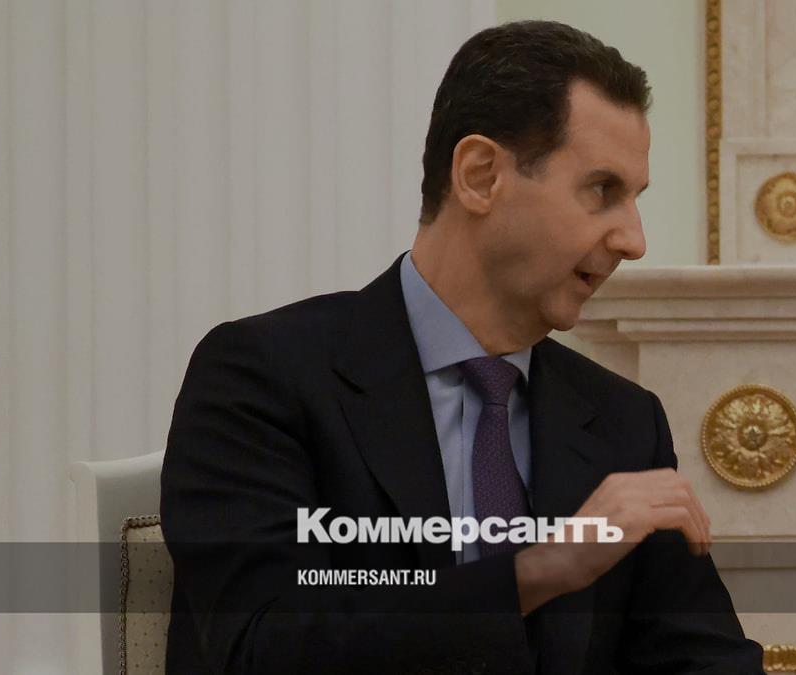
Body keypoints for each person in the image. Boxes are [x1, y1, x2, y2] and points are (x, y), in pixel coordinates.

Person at [161, 19, 764, 674]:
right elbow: (263, 644)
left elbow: (706, 661)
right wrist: (544, 568)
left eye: (635, 199)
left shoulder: (625, 422)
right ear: (480, 176)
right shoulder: (263, 377)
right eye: (602, 190)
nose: (634, 240)